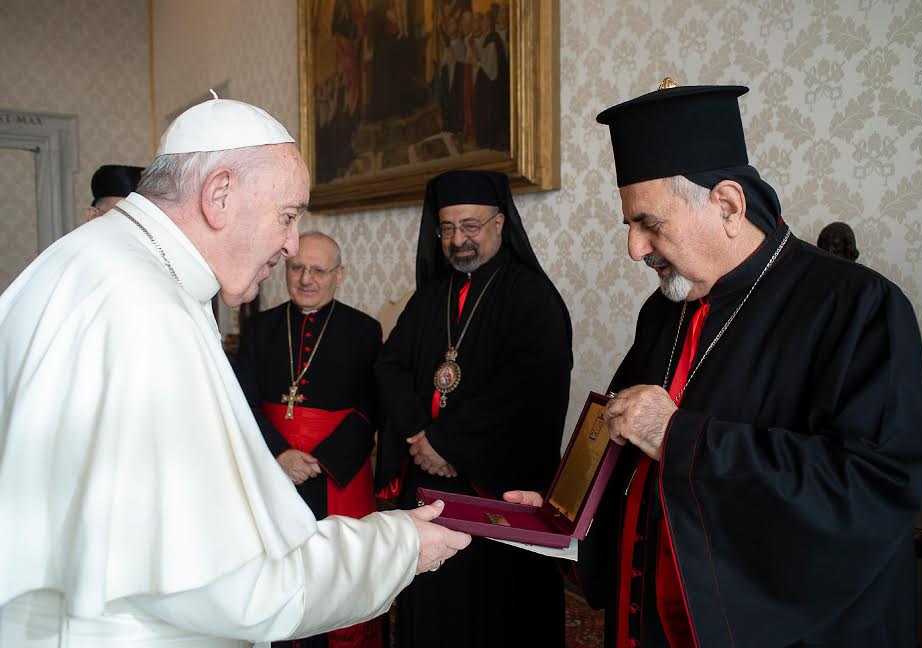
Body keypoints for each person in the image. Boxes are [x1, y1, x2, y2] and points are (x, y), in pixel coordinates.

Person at [0, 95, 470, 647]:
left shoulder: (90, 259)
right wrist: (399, 546)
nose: (291, 245)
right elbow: (233, 585)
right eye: (288, 216)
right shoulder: (145, 310)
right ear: (219, 194)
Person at [506, 79, 922, 646]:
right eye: (630, 225)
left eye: (650, 223)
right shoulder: (664, 311)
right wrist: (567, 514)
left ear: (727, 205)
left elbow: (870, 490)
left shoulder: (858, 306)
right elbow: (624, 447)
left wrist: (679, 437)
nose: (635, 249)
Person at [374, 169, 573, 648]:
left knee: (494, 614)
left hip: (493, 490)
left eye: (470, 226)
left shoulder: (532, 297)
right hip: (430, 485)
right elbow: (390, 365)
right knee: (433, 611)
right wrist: (420, 435)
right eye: (447, 228)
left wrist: (447, 443)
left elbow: (530, 388)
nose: (457, 239)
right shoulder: (430, 296)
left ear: (500, 223)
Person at [233, 231, 383, 648]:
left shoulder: (363, 330)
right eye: (297, 267)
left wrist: (322, 461)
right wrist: (280, 454)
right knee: (275, 577)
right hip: (273, 469)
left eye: (319, 270)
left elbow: (370, 408)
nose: (306, 279)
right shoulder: (260, 328)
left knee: (335, 577)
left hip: (337, 473)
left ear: (340, 275)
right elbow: (241, 402)